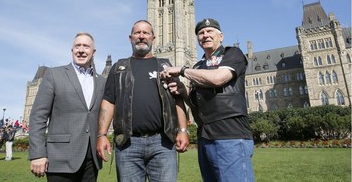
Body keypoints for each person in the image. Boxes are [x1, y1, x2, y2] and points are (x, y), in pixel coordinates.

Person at [161, 18, 255, 182]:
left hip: (230, 136)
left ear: (221, 36)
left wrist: (182, 70)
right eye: (201, 33)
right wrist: (183, 91)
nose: (205, 35)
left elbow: (218, 78)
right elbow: (196, 105)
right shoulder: (198, 66)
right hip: (205, 137)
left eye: (210, 31)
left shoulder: (232, 54)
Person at [96, 20, 189, 182]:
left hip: (163, 143)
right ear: (130, 38)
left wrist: (182, 130)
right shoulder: (118, 68)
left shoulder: (165, 66)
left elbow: (178, 100)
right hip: (128, 143)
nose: (141, 36)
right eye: (137, 33)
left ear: (153, 37)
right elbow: (109, 102)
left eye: (145, 33)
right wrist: (102, 134)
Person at [29, 32, 105, 182]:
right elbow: (38, 116)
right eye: (77, 46)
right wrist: (38, 153)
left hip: (91, 161)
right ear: (72, 50)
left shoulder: (101, 81)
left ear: (93, 52)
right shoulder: (54, 74)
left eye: (86, 46)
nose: (81, 50)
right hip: (60, 158)